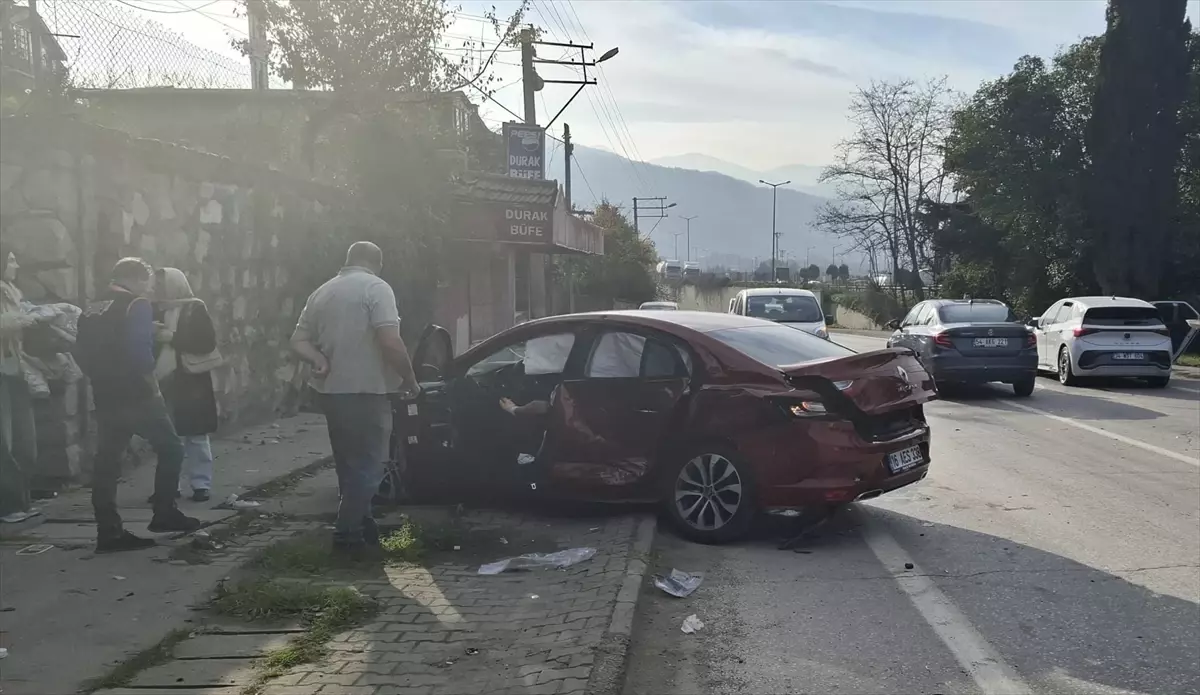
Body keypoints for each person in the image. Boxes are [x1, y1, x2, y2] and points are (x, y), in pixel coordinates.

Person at [290, 241, 419, 556]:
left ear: (347, 260)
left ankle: (363, 525)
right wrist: (410, 378)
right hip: (368, 391)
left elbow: (298, 340)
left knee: (349, 465)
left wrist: (318, 360)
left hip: (332, 393)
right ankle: (347, 533)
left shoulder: (322, 292)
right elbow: (390, 340)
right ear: (378, 263)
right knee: (371, 465)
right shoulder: (376, 288)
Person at [77, 258, 200, 553]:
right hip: (137, 394)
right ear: (134, 279)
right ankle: (164, 512)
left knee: (107, 462)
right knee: (171, 447)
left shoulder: (92, 307)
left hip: (105, 395)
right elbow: (138, 350)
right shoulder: (137, 305)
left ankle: (108, 531)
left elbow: (80, 350)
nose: (148, 287)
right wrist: (153, 385)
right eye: (146, 281)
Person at [153, 268, 219, 503]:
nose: (157, 288)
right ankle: (169, 486)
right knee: (168, 436)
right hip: (164, 378)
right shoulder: (155, 309)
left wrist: (173, 338)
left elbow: (206, 342)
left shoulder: (194, 307)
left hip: (191, 380)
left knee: (195, 434)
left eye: (162, 284)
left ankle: (201, 484)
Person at [0, 247, 45, 523]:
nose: (15, 264)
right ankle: (8, 505)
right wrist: (24, 319)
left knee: (23, 441)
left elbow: (24, 311)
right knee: (5, 440)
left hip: (13, 369)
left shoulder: (10, 290)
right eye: (10, 260)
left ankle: (19, 501)